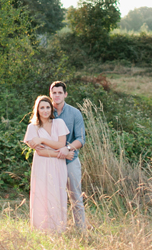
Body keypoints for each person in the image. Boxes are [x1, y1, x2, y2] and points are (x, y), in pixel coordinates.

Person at [23, 95, 69, 232]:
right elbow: (41, 153)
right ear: (37, 110)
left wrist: (42, 139)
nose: (45, 110)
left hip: (58, 166)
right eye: (41, 107)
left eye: (47, 107)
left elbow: (61, 144)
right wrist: (62, 153)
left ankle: (58, 227)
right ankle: (42, 227)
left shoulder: (59, 123)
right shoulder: (32, 128)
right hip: (42, 165)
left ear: (51, 109)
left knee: (57, 192)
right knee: (42, 192)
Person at [46, 80, 87, 230]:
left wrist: (68, 148)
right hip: (51, 160)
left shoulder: (75, 113)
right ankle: (55, 228)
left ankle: (81, 230)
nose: (57, 95)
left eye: (60, 93)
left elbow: (81, 139)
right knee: (52, 196)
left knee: (75, 196)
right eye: (54, 93)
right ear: (50, 94)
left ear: (65, 94)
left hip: (71, 160)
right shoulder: (46, 111)